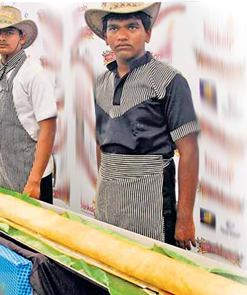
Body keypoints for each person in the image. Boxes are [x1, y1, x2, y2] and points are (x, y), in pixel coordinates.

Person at [84, 3, 199, 249]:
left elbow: (189, 151)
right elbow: (100, 142)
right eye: (114, 28)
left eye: (132, 27)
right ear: (106, 38)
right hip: (108, 201)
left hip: (153, 202)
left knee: (151, 275)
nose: (122, 35)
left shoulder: (169, 80)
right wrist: (101, 189)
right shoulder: (100, 83)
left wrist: (185, 217)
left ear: (147, 34)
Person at [0, 6, 57, 203]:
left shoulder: (34, 75)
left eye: (9, 32)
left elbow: (48, 130)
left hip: (28, 175)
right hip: (0, 173)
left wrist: (35, 180)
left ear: (22, 38)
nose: (2, 38)